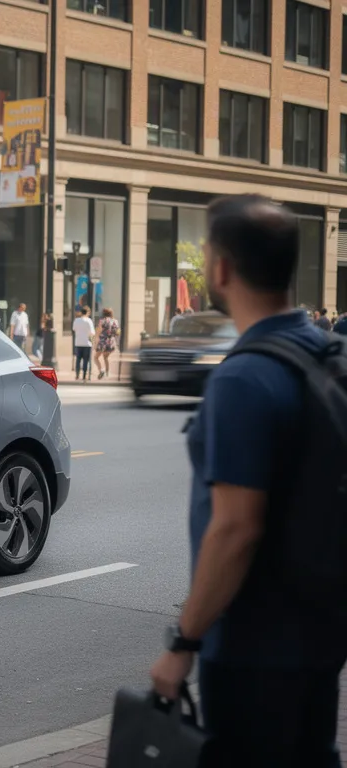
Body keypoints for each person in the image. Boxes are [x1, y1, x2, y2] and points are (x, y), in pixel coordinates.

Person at [148, 195, 345, 766]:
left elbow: (235, 530)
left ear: (221, 268)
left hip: (254, 646)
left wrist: (183, 644)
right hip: (322, 630)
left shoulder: (244, 378)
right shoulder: (331, 354)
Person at [93, 308, 120, 380]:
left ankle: (101, 370)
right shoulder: (115, 321)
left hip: (102, 342)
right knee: (105, 358)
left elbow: (98, 332)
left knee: (96, 357)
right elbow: (118, 332)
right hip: (111, 342)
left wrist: (96, 342)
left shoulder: (102, 321)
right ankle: (107, 374)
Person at [71, 307, 94, 380]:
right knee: (86, 360)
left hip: (78, 342)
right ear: (87, 313)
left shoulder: (76, 320)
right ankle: (84, 375)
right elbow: (92, 332)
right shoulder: (89, 321)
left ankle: (77, 375)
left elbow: (74, 329)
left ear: (81, 312)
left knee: (78, 359)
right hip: (87, 343)